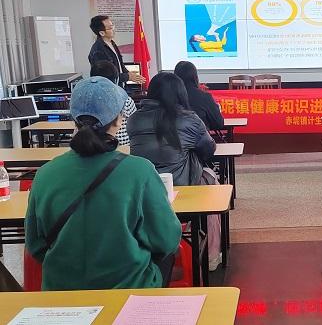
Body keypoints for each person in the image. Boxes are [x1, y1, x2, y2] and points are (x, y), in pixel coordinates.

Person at [25, 77, 181, 290]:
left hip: (61, 293)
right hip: (129, 291)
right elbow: (166, 239)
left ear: (74, 119)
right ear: (118, 120)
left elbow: (35, 245)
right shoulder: (140, 171)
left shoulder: (45, 174)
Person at [127, 72, 216, 186]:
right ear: (181, 93)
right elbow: (209, 149)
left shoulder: (134, 119)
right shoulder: (189, 119)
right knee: (210, 174)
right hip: (181, 187)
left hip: (144, 187)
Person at [88, 15, 146, 87]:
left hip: (120, 86)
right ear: (102, 33)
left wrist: (130, 74)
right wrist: (128, 77)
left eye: (113, 25)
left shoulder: (111, 43)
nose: (114, 29)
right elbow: (107, 76)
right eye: (110, 28)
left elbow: (120, 65)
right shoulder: (98, 51)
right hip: (110, 89)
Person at [90, 60, 137, 145]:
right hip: (123, 146)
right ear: (116, 80)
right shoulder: (126, 100)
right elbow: (135, 125)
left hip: (92, 146)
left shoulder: (87, 100)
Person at [174, 61, 224, 131]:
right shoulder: (204, 97)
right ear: (195, 77)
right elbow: (218, 123)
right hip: (199, 137)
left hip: (172, 137)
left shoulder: (169, 97)